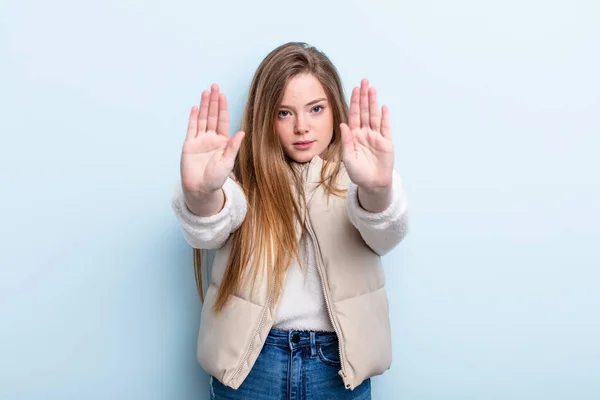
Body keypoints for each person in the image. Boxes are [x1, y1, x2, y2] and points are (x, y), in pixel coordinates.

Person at [172, 42, 409, 400]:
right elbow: (211, 224)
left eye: (315, 109)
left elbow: (386, 233)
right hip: (253, 365)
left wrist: (376, 190)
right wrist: (202, 194)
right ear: (265, 117)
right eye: (284, 113)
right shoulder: (242, 180)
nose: (302, 127)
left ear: (335, 109)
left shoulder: (362, 177)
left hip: (337, 367)